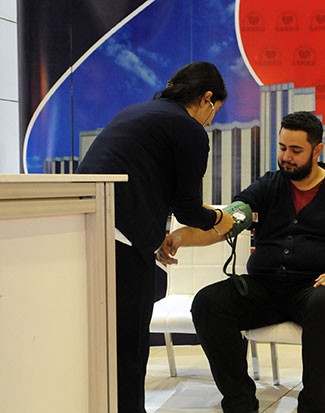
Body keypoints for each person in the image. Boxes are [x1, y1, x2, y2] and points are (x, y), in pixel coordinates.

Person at [157, 111, 325, 413]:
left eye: (296, 150)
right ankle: (240, 403)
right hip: (265, 288)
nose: (286, 157)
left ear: (317, 150)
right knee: (208, 303)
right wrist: (180, 237)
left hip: (316, 289)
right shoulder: (267, 186)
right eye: (282, 147)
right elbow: (228, 221)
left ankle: (313, 407)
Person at [76, 61, 235, 413]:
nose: (211, 121)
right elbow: (188, 209)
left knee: (97, 340)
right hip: (121, 239)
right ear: (207, 98)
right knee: (130, 344)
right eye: (215, 111)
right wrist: (220, 218)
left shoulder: (138, 113)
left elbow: (145, 182)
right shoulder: (189, 130)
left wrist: (153, 235)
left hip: (83, 229)